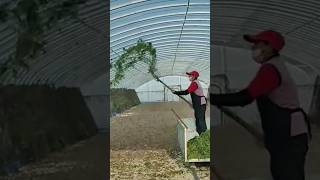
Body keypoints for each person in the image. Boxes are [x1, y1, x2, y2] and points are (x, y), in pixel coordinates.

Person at [209, 30, 311, 180]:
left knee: (287, 174)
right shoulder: (274, 65)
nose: (254, 48)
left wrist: (214, 98)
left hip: (289, 136)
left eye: (258, 44)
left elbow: (245, 97)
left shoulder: (270, 70)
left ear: (270, 46)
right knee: (283, 173)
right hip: (286, 134)